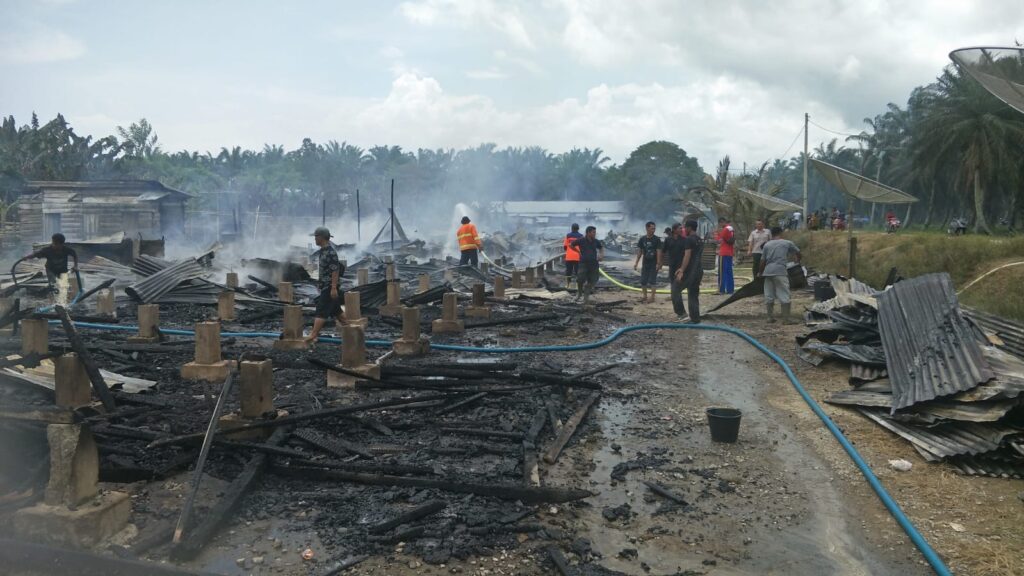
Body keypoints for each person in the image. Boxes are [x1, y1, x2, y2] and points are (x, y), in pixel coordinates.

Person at [305, 227, 346, 344]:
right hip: (325, 285)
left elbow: (335, 270)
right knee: (336, 311)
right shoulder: (323, 251)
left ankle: (313, 334)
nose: (315, 239)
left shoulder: (331, 252)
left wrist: (333, 288)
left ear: (321, 237)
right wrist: (320, 284)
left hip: (330, 286)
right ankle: (351, 328)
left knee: (321, 309)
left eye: (316, 236)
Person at [758, 226, 802, 324]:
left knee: (769, 294)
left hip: (768, 272)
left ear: (771, 234)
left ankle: (769, 317)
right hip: (780, 271)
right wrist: (797, 260)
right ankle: (786, 319)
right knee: (784, 294)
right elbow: (798, 252)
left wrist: (760, 273)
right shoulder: (787, 243)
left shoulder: (767, 245)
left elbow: (762, 261)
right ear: (781, 233)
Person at [674, 220, 705, 323]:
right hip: (699, 270)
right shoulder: (700, 240)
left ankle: (682, 314)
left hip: (690, 271)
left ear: (689, 228)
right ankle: (695, 319)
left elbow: (687, 256)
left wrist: (682, 270)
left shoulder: (689, 240)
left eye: (685, 227)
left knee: (675, 289)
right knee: (693, 294)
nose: (684, 229)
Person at [570, 226, 604, 304]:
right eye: (593, 232)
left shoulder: (596, 241)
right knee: (580, 279)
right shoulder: (581, 240)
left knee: (593, 280)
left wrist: (601, 255)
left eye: (595, 232)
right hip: (583, 263)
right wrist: (578, 252)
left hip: (594, 264)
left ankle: (585, 298)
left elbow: (601, 248)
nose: (595, 234)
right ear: (588, 233)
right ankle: (579, 294)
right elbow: (571, 245)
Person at [633, 221, 662, 303]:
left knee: (653, 280)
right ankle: (645, 296)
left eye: (654, 228)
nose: (654, 230)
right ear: (647, 228)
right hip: (645, 262)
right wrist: (636, 263)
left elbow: (659, 251)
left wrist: (658, 263)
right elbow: (640, 252)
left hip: (654, 263)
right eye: (652, 228)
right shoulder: (642, 239)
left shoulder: (657, 239)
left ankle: (652, 298)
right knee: (643, 280)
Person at [716, 217, 735, 294]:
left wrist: (716, 235)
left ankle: (721, 289)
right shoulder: (731, 229)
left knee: (722, 272)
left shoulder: (725, 229)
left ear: (722, 222)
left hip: (723, 252)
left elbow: (718, 241)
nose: (720, 225)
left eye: (720, 223)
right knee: (729, 271)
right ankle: (730, 289)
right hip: (730, 252)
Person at [563, 223, 583, 291]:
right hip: (578, 257)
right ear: (578, 228)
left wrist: (568, 251)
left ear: (571, 228)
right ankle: (577, 285)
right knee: (578, 272)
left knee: (569, 271)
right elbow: (583, 247)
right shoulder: (581, 236)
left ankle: (568, 285)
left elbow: (565, 246)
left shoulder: (568, 236)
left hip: (569, 257)